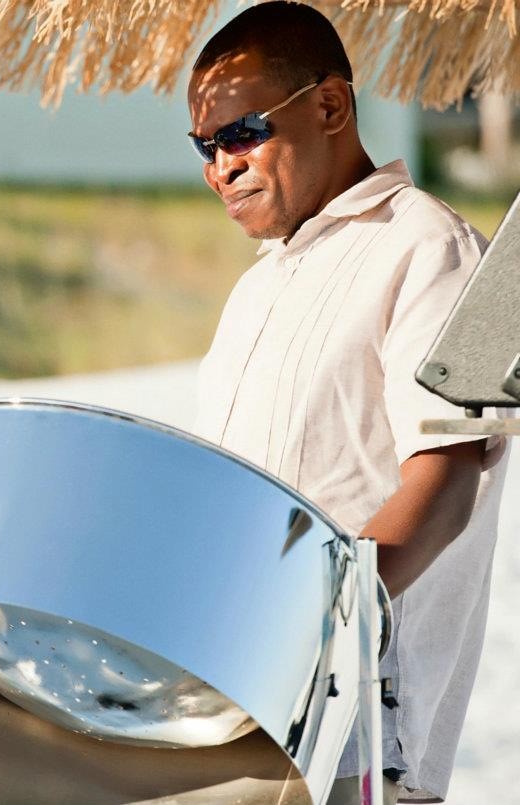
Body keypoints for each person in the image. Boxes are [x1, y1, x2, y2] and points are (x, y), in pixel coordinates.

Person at [185, 3, 510, 803]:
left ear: (330, 106)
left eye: (241, 132)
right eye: (204, 146)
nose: (219, 166)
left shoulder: (432, 247)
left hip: (350, 731)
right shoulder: (258, 286)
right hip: (229, 711)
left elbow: (443, 487)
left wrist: (304, 626)